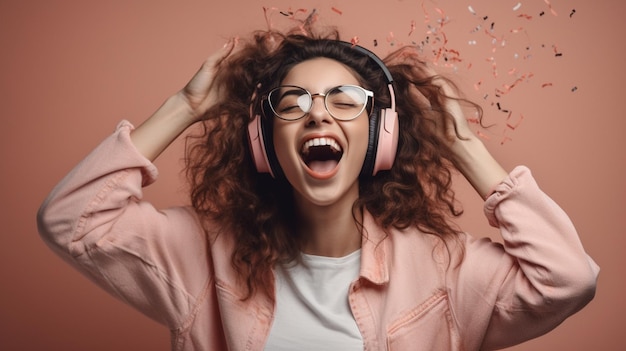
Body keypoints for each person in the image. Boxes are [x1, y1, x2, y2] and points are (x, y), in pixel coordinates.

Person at [37, 22, 599, 351]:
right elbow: (71, 218)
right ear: (264, 142)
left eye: (345, 102)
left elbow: (567, 280)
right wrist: (183, 108)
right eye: (293, 103)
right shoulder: (198, 256)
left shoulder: (444, 271)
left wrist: (466, 148)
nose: (317, 116)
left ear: (380, 136)